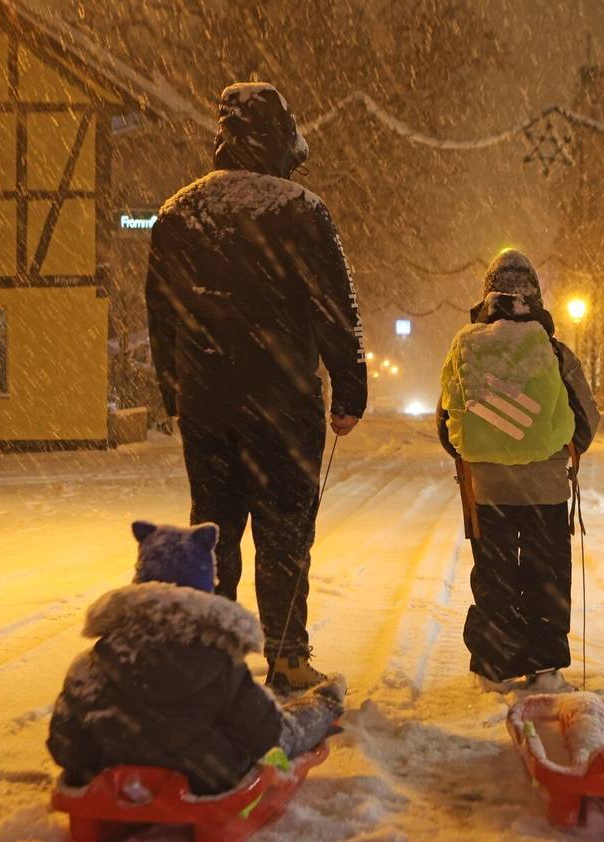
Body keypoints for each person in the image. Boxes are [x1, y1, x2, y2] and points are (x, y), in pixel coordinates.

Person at [146, 83, 367, 691]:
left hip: (209, 403)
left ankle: (216, 652)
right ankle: (288, 656)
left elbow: (160, 316)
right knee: (285, 529)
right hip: (283, 401)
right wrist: (349, 390)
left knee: (213, 526)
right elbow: (334, 308)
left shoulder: (177, 215)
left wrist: (175, 393)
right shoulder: (300, 210)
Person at [47, 521, 345, 795]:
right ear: (205, 587)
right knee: (280, 732)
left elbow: (64, 744)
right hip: (207, 776)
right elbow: (269, 734)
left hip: (109, 771)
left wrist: (103, 758)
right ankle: (325, 701)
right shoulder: (219, 661)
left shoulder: (90, 665)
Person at [437, 250, 600, 693]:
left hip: (487, 493)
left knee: (494, 578)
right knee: (546, 577)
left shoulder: (466, 347)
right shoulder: (554, 352)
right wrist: (556, 454)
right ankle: (545, 668)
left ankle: (492, 668)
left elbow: (446, 426)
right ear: (536, 297)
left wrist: (484, 456)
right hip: (545, 491)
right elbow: (586, 419)